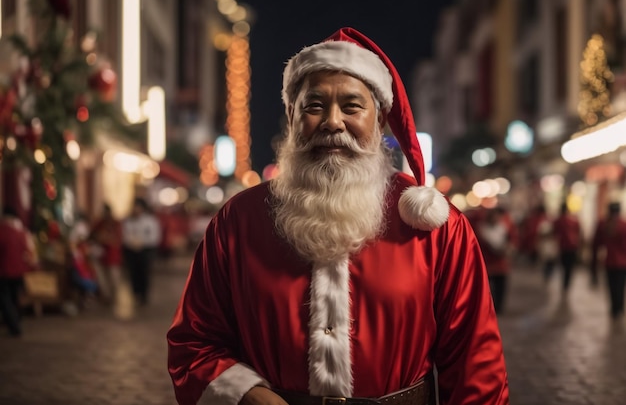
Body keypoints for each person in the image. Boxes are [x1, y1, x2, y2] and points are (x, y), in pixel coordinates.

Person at [167, 27, 509, 405]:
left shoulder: (439, 229)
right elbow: (194, 342)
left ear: (379, 121)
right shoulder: (237, 222)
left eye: (351, 106)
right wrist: (247, 395)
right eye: (314, 106)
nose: (332, 121)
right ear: (291, 116)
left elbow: (476, 363)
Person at [0, 206, 37, 337]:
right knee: (15, 298)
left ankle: (13, 325)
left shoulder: (2, 232)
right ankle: (15, 321)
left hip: (4, 271)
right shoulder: (21, 233)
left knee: (5, 299)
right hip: (19, 270)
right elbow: (28, 252)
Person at [476, 207, 516, 314]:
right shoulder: (482, 229)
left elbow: (512, 240)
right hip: (487, 264)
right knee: (487, 288)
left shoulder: (504, 227)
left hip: (501, 264)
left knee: (500, 287)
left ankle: (498, 307)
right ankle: (488, 306)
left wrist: (509, 248)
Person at [122, 197, 161, 306]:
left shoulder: (150, 221)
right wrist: (131, 243)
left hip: (146, 250)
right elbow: (125, 235)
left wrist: (142, 243)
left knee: (144, 272)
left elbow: (155, 236)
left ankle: (144, 295)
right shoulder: (128, 221)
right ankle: (136, 293)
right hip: (131, 250)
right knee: (133, 273)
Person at [591, 202, 626, 319]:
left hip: (609, 261)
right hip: (622, 262)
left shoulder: (603, 224)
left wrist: (594, 264)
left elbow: (596, 244)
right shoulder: (623, 225)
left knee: (611, 286)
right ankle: (619, 308)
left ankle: (614, 308)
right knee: (620, 286)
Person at [90, 204, 123, 305]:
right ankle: (106, 297)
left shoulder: (116, 224)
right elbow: (92, 235)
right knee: (102, 279)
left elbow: (118, 239)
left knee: (114, 279)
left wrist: (106, 239)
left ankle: (114, 297)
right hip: (101, 256)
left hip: (113, 256)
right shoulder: (99, 223)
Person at [552, 202, 582, 296]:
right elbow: (579, 233)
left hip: (563, 247)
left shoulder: (558, 221)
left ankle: (565, 285)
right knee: (569, 268)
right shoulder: (574, 221)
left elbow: (554, 232)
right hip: (573, 247)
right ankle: (567, 285)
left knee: (564, 267)